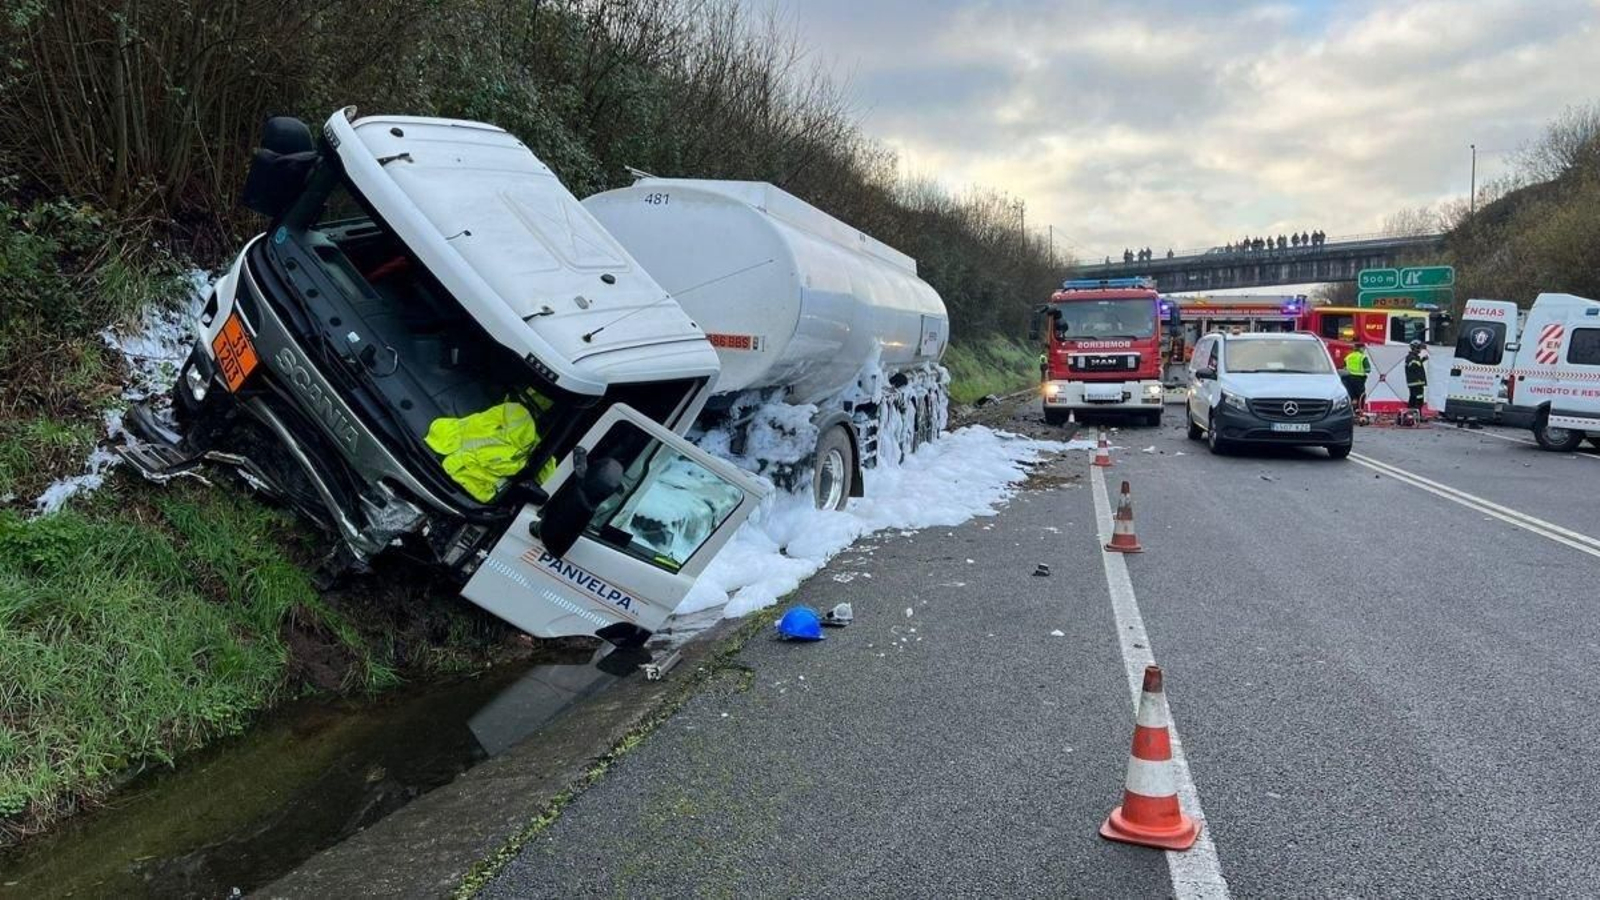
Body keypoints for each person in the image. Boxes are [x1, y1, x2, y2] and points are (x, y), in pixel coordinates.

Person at [1342, 341, 1369, 408]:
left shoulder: (1348, 357)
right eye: (1363, 348)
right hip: (1359, 379)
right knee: (1361, 395)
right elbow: (1368, 370)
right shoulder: (1363, 357)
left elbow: (1344, 368)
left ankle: (1351, 409)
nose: (1364, 350)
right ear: (1360, 348)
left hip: (1348, 379)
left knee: (1351, 395)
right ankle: (1360, 410)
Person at [1405, 340, 1428, 416]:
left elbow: (1416, 364)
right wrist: (1421, 361)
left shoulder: (1414, 357)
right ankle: (1416, 416)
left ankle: (1412, 415)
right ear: (1415, 348)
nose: (1420, 349)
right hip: (1416, 382)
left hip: (1416, 383)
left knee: (1413, 399)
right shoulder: (1411, 357)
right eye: (1419, 347)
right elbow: (1414, 365)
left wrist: (1422, 360)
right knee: (1418, 400)